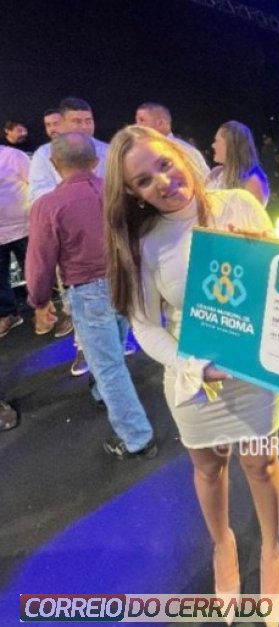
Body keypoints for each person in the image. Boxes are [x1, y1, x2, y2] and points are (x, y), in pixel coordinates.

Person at [103, 125, 279, 623]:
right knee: (208, 468)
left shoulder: (239, 204)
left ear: (181, 155)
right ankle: (223, 544)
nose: (162, 182)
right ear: (134, 193)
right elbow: (145, 326)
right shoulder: (144, 242)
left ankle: (271, 550)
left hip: (252, 365)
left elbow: (277, 277)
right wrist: (194, 366)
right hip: (193, 376)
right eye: (143, 180)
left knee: (261, 464)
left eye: (163, 164)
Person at [25, 132, 156, 460]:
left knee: (109, 365)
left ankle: (136, 438)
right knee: (114, 349)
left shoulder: (48, 205)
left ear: (55, 164)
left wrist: (39, 301)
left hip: (88, 291)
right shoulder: (119, 194)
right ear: (96, 161)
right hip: (127, 281)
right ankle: (101, 393)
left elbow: (40, 261)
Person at [30, 97, 111, 375]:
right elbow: (38, 195)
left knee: (118, 297)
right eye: (77, 121)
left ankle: (115, 340)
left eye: (89, 120)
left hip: (109, 239)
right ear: (61, 123)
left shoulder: (106, 150)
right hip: (71, 244)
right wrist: (76, 200)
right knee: (78, 299)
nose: (85, 126)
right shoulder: (44, 155)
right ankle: (84, 347)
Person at [0, 145, 30, 338]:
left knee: (35, 271)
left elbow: (35, 184)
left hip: (23, 228)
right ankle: (8, 314)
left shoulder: (13, 156)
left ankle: (48, 310)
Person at [134, 102, 210, 177]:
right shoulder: (140, 152)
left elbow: (205, 181)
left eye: (142, 120)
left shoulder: (185, 151)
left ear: (160, 123)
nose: (137, 126)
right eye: (137, 121)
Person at [207, 120, 270, 208]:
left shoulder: (253, 181)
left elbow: (253, 215)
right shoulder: (215, 173)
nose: (213, 145)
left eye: (217, 141)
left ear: (230, 145)